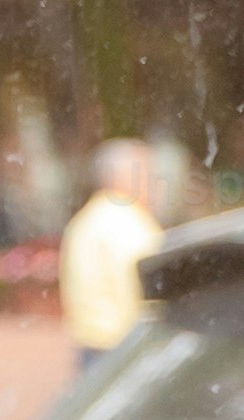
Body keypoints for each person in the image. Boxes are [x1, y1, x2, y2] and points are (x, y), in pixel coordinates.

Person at [63, 141, 168, 354]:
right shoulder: (128, 222)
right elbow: (146, 289)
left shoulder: (86, 218)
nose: (155, 183)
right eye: (148, 174)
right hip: (126, 348)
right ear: (127, 177)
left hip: (92, 349)